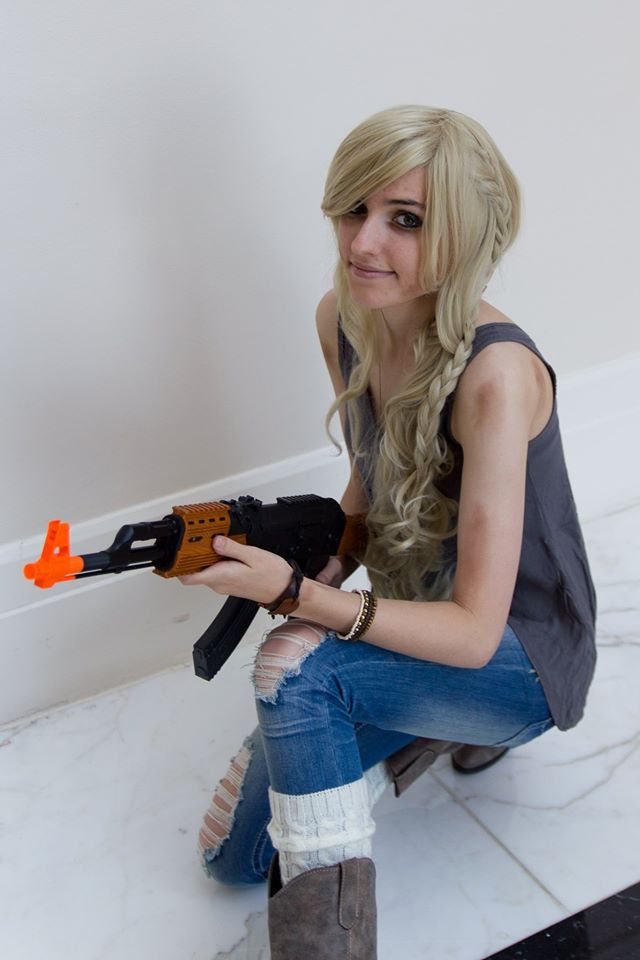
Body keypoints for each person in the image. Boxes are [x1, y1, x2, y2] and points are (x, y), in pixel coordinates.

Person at [179, 105, 597, 959]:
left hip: (518, 659)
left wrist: (297, 597)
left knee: (294, 668)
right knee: (231, 862)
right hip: (424, 621)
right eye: (353, 209)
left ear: (464, 233)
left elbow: (476, 632)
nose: (363, 242)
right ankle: (423, 725)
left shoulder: (497, 375)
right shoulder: (342, 316)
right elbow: (373, 484)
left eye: (405, 219)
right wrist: (323, 557)